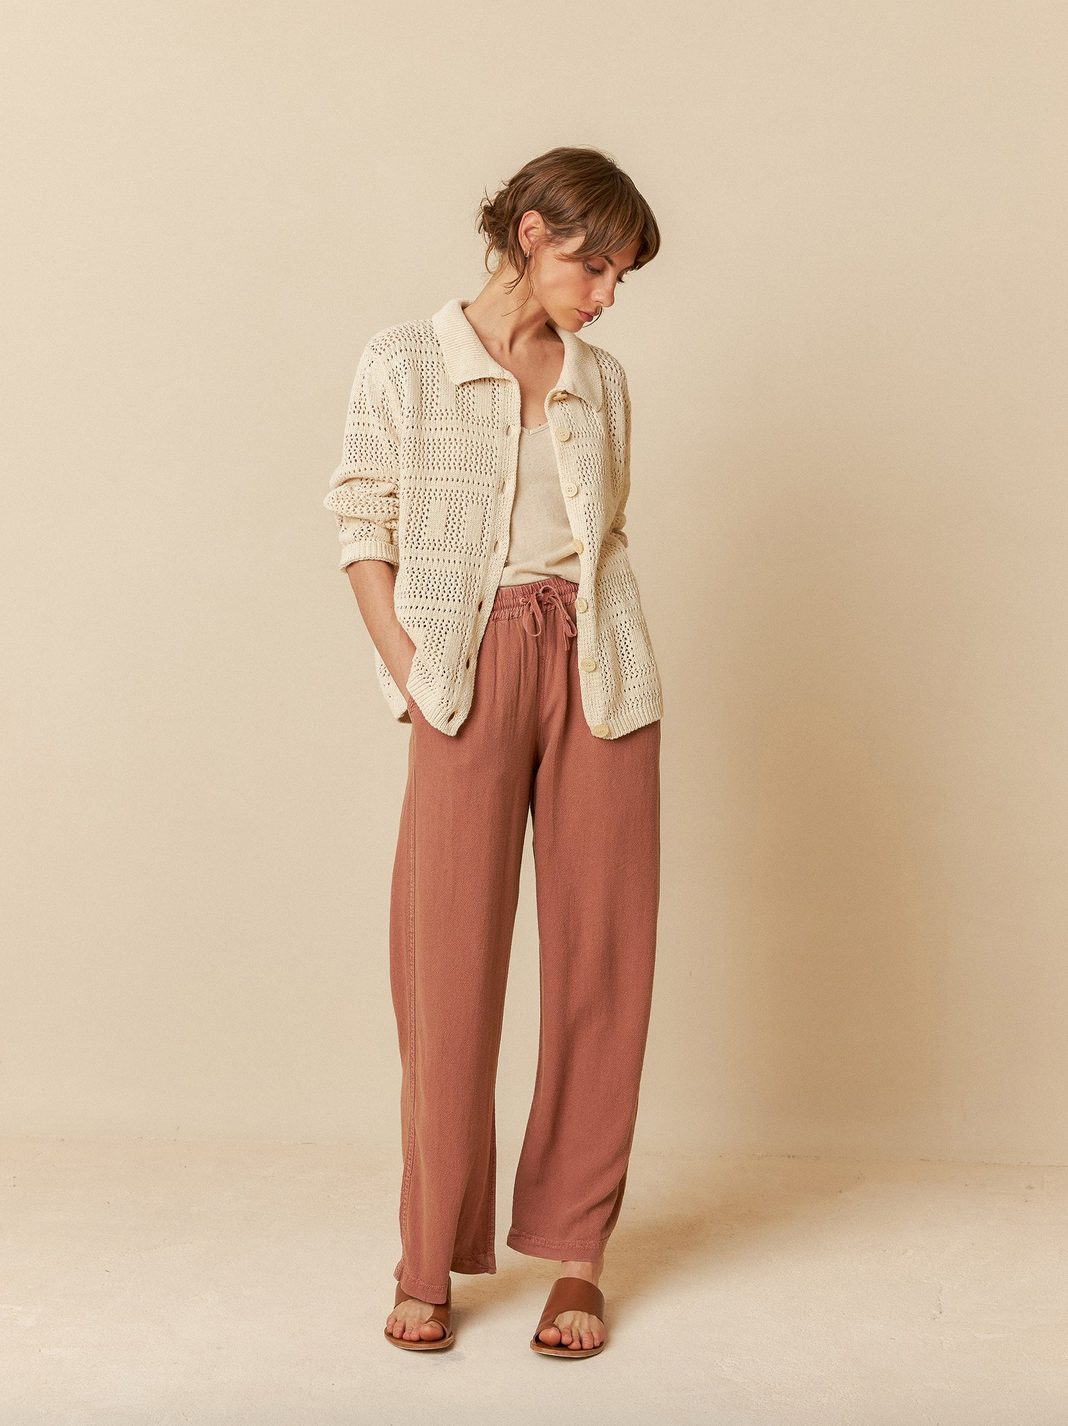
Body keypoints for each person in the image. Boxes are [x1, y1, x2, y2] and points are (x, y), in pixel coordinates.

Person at [323, 146, 664, 1358]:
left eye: (622, 274)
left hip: (599, 674)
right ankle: (429, 1258)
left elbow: (607, 534)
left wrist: (601, 649)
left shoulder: (601, 378)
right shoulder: (405, 361)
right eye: (595, 263)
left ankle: (578, 1256)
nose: (607, 293)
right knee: (446, 966)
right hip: (468, 668)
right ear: (530, 232)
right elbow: (364, 527)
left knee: (603, 960)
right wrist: (415, 670)